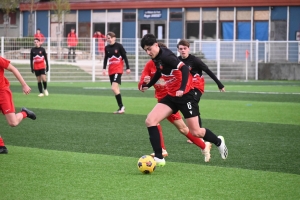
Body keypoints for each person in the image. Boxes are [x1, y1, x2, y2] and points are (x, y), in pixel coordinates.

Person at [140, 33, 228, 166]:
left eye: (149, 48)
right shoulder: (156, 57)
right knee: (150, 120)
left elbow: (185, 69)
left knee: (196, 132)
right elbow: (159, 71)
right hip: (171, 97)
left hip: (186, 96)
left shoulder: (167, 56)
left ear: (156, 45)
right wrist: (148, 85)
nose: (148, 52)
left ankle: (219, 142)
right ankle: (159, 157)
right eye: (145, 50)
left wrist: (181, 88)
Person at [177, 39, 225, 144]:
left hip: (197, 86)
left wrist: (219, 84)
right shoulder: (177, 61)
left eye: (185, 48)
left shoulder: (195, 60)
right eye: (181, 49)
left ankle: (198, 134)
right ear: (178, 50)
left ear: (188, 49)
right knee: (193, 108)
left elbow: (208, 71)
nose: (183, 50)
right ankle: (198, 133)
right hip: (186, 87)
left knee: (193, 103)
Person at [0, 56, 36, 154]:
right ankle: (1, 146)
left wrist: (24, 85)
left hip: (2, 92)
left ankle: (25, 113)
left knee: (13, 123)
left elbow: (13, 69)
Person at [103, 31, 130, 114]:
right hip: (111, 70)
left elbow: (125, 57)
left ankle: (122, 106)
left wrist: (128, 67)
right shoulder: (106, 48)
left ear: (114, 38)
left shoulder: (119, 46)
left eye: (110, 38)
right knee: (116, 89)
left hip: (118, 69)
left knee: (113, 88)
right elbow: (105, 58)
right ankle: (121, 107)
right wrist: (104, 68)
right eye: (108, 38)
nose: (109, 39)